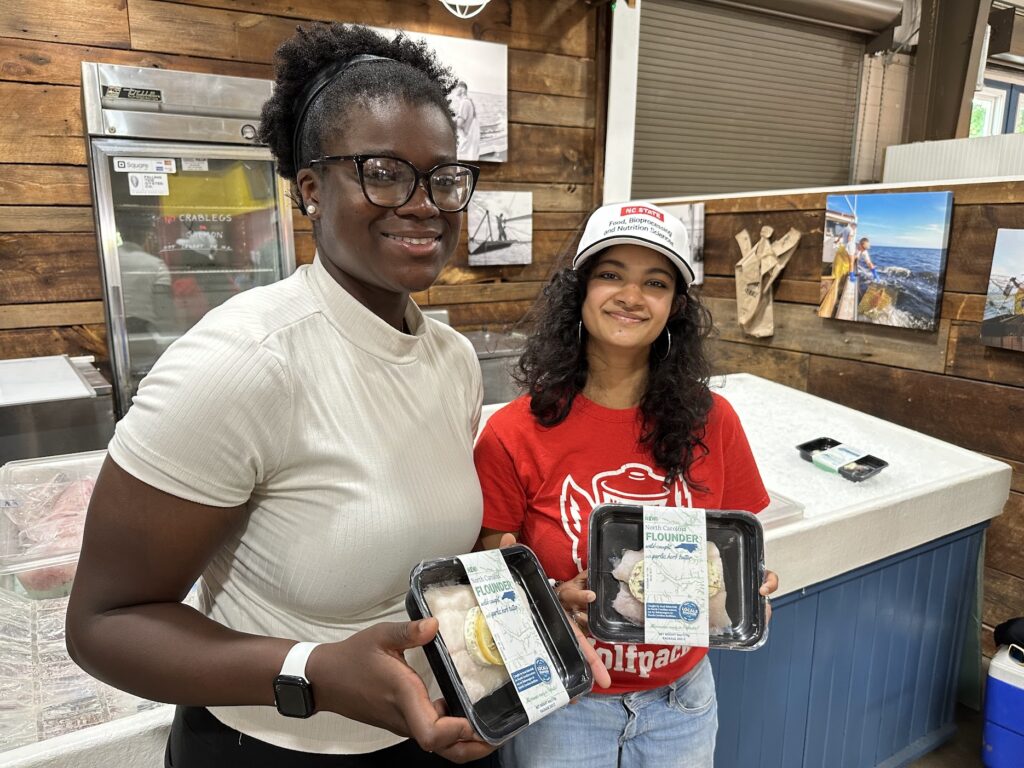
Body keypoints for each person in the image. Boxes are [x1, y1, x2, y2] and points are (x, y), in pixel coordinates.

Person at [66, 22, 501, 767]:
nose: (425, 203)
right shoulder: (241, 362)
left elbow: (422, 544)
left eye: (443, 176)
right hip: (271, 743)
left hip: (434, 732)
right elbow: (106, 623)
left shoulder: (451, 358)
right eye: (384, 172)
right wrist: (312, 672)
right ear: (309, 189)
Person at [474, 202, 779, 768]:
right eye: (611, 274)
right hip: (564, 697)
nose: (630, 296)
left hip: (682, 699)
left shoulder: (714, 421)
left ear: (675, 307)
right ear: (581, 291)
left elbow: (735, 540)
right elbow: (488, 558)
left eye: (655, 282)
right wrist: (546, 597)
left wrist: (748, 583)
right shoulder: (514, 431)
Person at [452, 81, 481, 161]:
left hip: (464, 141)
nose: (455, 91)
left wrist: (449, 120)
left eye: (456, 89)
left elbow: (459, 124)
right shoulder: (468, 102)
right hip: (468, 140)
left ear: (462, 90)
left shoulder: (464, 103)